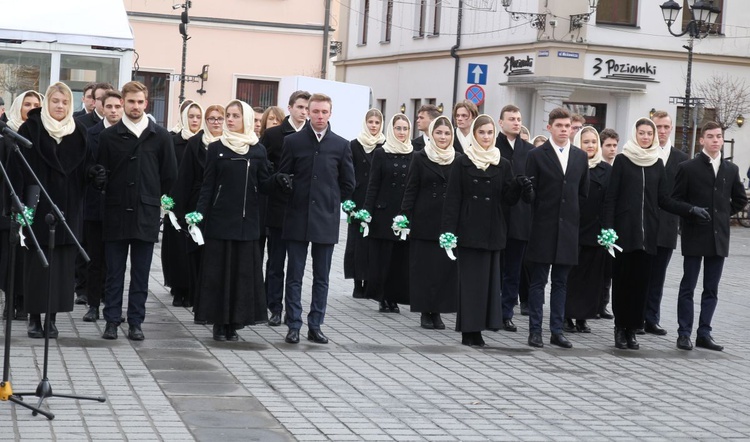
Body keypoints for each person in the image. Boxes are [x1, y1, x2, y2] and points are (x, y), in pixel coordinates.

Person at [603, 118, 702, 350]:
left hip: (648, 236)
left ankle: (632, 330)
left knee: (641, 285)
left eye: (649, 133)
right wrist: (607, 229)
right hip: (623, 235)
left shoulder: (657, 163)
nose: (645, 137)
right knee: (622, 283)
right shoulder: (622, 160)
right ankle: (620, 329)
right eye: (641, 133)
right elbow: (611, 198)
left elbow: (664, 199)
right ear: (635, 134)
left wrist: (690, 209)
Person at [14, 82, 100, 339]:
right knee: (37, 265)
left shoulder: (79, 132)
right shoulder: (31, 129)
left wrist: (94, 174)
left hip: (68, 208)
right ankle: (34, 317)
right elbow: (17, 168)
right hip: (38, 207)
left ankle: (51, 318)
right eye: (55, 101)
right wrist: (19, 205)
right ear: (47, 103)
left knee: (61, 267)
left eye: (64, 102)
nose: (60, 106)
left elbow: (86, 167)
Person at [441, 114, 532, 346]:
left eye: (490, 132)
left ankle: (480, 328)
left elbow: (508, 200)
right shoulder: (462, 162)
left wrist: (520, 187)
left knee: (488, 285)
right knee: (470, 284)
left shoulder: (502, 163)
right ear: (474, 134)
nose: (486, 136)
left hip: (493, 232)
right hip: (469, 230)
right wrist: (449, 232)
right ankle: (468, 331)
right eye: (482, 132)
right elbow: (453, 199)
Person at [98, 81, 178, 341]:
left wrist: (151, 198)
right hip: (116, 211)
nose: (135, 106)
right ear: (122, 102)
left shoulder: (160, 135)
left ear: (146, 103)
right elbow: (98, 171)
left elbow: (169, 175)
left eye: (139, 102)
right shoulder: (108, 136)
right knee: (114, 272)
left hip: (145, 212)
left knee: (141, 273)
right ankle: (111, 320)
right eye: (130, 101)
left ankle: (136, 322)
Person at [277, 93, 355, 344]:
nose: (320, 116)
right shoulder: (293, 142)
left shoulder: (341, 145)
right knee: (295, 274)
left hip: (325, 219)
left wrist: (331, 202)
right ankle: (294, 324)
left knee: (322, 276)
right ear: (308, 112)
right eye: (316, 111)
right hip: (297, 216)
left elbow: (349, 183)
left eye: (324, 112)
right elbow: (283, 174)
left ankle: (316, 324)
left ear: (330, 114)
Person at [193, 100, 270, 340]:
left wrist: (281, 181)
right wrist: (199, 215)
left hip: (247, 223)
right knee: (219, 273)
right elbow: (208, 185)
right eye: (228, 115)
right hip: (220, 221)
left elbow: (265, 183)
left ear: (245, 119)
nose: (229, 119)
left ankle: (235, 321)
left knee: (242, 274)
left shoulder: (257, 150)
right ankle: (219, 322)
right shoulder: (216, 148)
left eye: (235, 115)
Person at [673, 121, 747, 351]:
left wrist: (722, 215)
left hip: (719, 237)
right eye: (711, 136)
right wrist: (691, 211)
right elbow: (675, 200)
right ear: (702, 140)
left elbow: (740, 199)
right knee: (688, 285)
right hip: (695, 234)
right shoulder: (688, 167)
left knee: (711, 288)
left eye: (719, 137)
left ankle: (704, 332)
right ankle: (684, 333)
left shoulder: (730, 169)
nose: (716, 140)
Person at [525, 107, 589, 349]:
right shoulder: (536, 155)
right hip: (543, 227)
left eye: (568, 126)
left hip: (568, 230)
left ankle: (557, 330)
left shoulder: (580, 157)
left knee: (561, 283)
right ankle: (535, 330)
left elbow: (583, 193)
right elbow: (529, 193)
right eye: (560, 126)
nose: (564, 130)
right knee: (538, 282)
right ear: (549, 127)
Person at [401, 116, 460, 329]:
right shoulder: (420, 157)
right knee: (424, 269)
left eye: (446, 133)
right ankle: (425, 311)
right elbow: (411, 188)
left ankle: (438, 311)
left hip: (448, 223)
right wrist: (404, 217)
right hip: (424, 220)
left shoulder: (458, 158)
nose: (443, 137)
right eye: (439, 133)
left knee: (444, 269)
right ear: (432, 134)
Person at [260, 90, 310, 327]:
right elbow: (263, 165)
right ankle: (274, 307)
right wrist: (276, 177)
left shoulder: (313, 136)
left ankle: (293, 309)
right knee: (275, 262)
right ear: (289, 108)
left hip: (303, 209)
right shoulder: (273, 135)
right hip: (278, 207)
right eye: (300, 107)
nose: (304, 112)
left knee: (297, 266)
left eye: (307, 108)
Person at [172, 104, 225, 321]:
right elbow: (184, 178)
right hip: (197, 206)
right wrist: (180, 211)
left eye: (219, 118)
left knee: (216, 258)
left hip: (221, 207)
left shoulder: (230, 144)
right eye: (211, 118)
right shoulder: (195, 144)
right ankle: (197, 301)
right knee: (197, 256)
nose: (215, 122)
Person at [642, 111, 689, 336]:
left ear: (671, 129)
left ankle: (651, 318)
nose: (661, 131)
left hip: (667, 226)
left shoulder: (681, 159)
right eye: (657, 127)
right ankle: (636, 316)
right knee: (639, 273)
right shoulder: (641, 154)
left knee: (658, 275)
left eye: (665, 127)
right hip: (642, 225)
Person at [363, 114, 414, 313]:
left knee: (399, 260)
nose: (401, 133)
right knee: (382, 258)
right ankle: (382, 297)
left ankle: (394, 297)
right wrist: (367, 210)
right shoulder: (381, 153)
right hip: (383, 213)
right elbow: (373, 184)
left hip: (404, 214)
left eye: (405, 129)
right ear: (391, 130)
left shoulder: (414, 153)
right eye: (398, 128)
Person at [81, 90, 124, 322]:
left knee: (115, 261)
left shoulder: (128, 134)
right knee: (95, 259)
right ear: (101, 108)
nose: (114, 111)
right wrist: (93, 173)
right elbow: (84, 165)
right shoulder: (91, 134)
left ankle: (112, 305)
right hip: (96, 205)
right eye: (110, 107)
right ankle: (93, 304)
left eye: (118, 106)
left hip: (119, 207)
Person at [564, 127, 612, 333]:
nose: (590, 145)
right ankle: (567, 315)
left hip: (596, 230)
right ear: (578, 143)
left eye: (594, 142)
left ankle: (583, 316)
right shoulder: (572, 164)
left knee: (592, 278)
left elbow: (611, 201)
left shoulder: (607, 169)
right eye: (586, 142)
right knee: (572, 276)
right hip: (575, 228)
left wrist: (608, 229)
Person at [1, 90, 42, 321]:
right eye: (27, 104)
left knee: (29, 252)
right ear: (18, 106)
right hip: (7, 202)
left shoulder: (40, 135)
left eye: (37, 104)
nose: (32, 108)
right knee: (9, 253)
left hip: (33, 201)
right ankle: (10, 301)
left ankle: (25, 301)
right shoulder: (7, 134)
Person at [496, 105, 534, 332]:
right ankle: (489, 309)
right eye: (511, 119)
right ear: (501, 122)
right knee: (495, 268)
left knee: (513, 270)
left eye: (519, 119)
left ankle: (506, 313)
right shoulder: (492, 146)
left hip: (520, 219)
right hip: (497, 217)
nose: (516, 123)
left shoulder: (529, 151)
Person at [163, 101, 203, 307]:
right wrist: (167, 198)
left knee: (196, 246)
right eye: (191, 116)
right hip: (176, 200)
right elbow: (168, 169)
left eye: (198, 116)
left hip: (196, 201)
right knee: (177, 248)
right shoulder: (173, 141)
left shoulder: (204, 142)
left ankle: (195, 289)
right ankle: (179, 288)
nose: (195, 120)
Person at [344, 109, 385, 298]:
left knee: (371, 242)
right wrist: (348, 199)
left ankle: (369, 280)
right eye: (371, 122)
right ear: (365, 123)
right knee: (356, 241)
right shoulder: (354, 145)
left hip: (376, 200)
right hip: (358, 198)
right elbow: (347, 171)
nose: (374, 126)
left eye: (377, 122)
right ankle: (357, 281)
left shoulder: (384, 146)